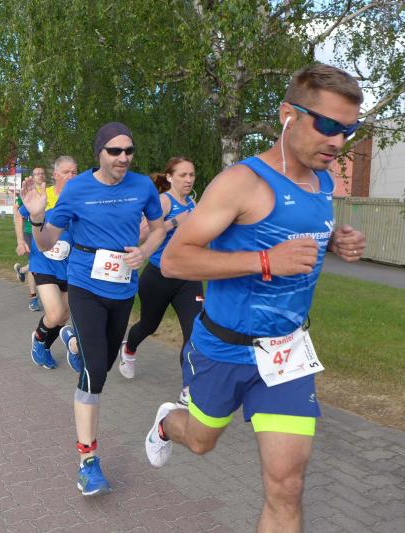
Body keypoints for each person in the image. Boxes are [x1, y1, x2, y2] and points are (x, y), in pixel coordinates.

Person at [144, 63, 367, 532]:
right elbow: (176, 260)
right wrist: (266, 261)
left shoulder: (323, 182)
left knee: (287, 486)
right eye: (328, 125)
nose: (337, 141)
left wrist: (332, 241)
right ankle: (167, 422)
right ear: (288, 115)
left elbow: (292, 233)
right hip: (224, 349)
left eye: (348, 130)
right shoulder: (242, 182)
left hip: (286, 352)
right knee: (201, 440)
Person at [21, 122, 166, 496]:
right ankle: (88, 461)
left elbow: (159, 228)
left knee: (103, 364)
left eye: (128, 151)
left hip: (123, 288)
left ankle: (77, 345)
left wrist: (145, 251)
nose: (123, 157)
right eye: (115, 151)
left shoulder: (142, 187)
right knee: (95, 371)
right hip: (85, 285)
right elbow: (47, 241)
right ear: (99, 152)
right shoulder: (77, 189)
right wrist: (36, 217)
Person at [118, 157, 203, 407]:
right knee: (148, 325)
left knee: (195, 334)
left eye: (191, 175)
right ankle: (129, 348)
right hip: (159, 276)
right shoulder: (164, 202)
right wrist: (176, 221)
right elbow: (141, 234)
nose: (188, 180)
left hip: (188, 278)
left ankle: (189, 388)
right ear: (169, 177)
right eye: (182, 175)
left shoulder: (193, 203)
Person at [17, 156, 78, 369]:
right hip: (42, 262)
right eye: (66, 172)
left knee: (63, 317)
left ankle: (44, 345)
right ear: (56, 175)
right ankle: (38, 338)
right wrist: (20, 240)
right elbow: (20, 213)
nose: (71, 176)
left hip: (67, 266)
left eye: (74, 172)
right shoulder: (45, 195)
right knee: (54, 313)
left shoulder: (79, 200)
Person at [13, 167, 46, 311]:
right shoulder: (26, 192)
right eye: (37, 174)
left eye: (42, 173)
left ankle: (21, 270)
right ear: (32, 176)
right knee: (35, 264)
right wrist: (19, 239)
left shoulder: (48, 192)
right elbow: (17, 211)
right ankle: (33, 298)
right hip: (29, 231)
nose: (40, 176)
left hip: (45, 232)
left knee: (39, 262)